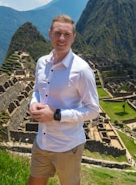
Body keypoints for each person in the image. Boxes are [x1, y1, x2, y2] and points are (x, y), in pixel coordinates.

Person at [28, 14, 100, 185]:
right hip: (42, 141)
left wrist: (57, 115)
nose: (61, 38)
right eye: (57, 33)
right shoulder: (41, 62)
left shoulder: (82, 70)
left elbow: (93, 110)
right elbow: (37, 90)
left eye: (66, 34)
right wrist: (33, 103)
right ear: (50, 33)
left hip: (67, 146)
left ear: (74, 37)